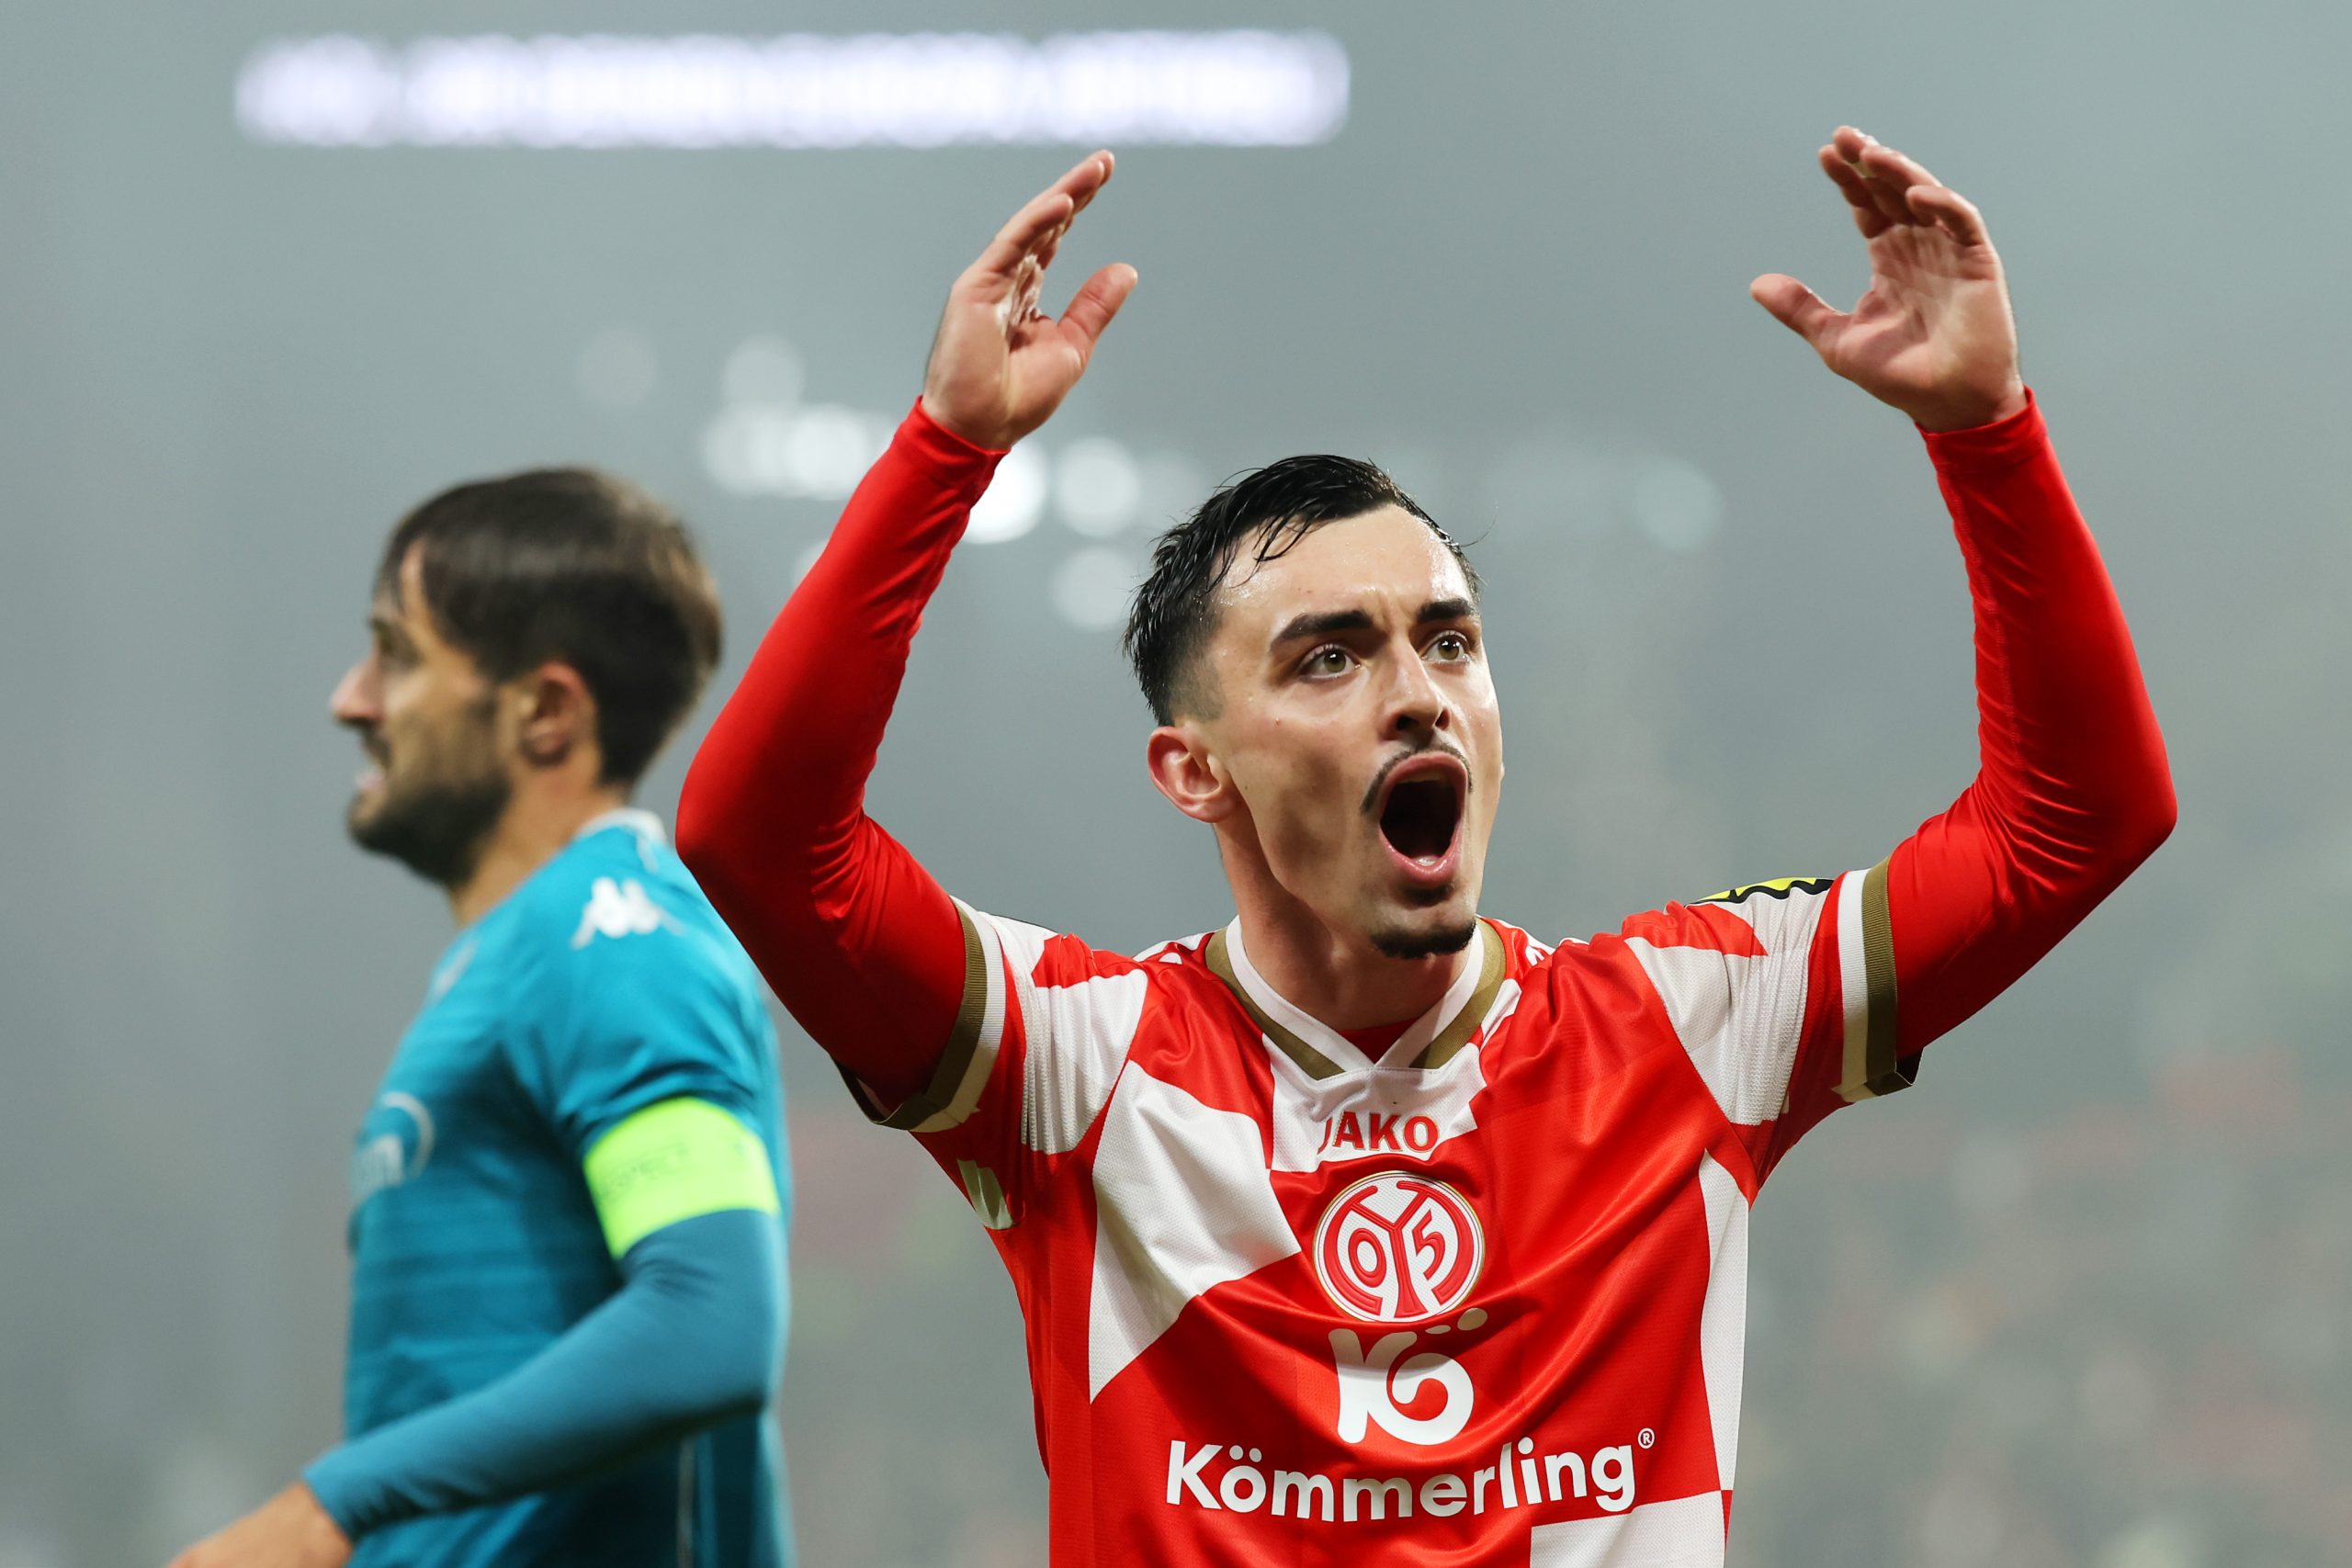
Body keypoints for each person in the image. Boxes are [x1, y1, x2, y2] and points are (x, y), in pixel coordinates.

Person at [676, 131, 2173, 1564]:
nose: (1417, 692)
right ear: (1194, 771)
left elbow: (2081, 816)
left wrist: (1989, 434)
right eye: (1329, 656)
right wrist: (946, 449)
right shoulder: (1078, 1069)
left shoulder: (1690, 1026)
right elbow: (757, 838)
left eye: (1448, 640)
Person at [169, 470, 793, 1568]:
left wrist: (327, 1508)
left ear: (545, 712)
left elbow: (712, 1319)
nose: (352, 700)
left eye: (396, 655)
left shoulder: (615, 938)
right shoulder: (522, 956)